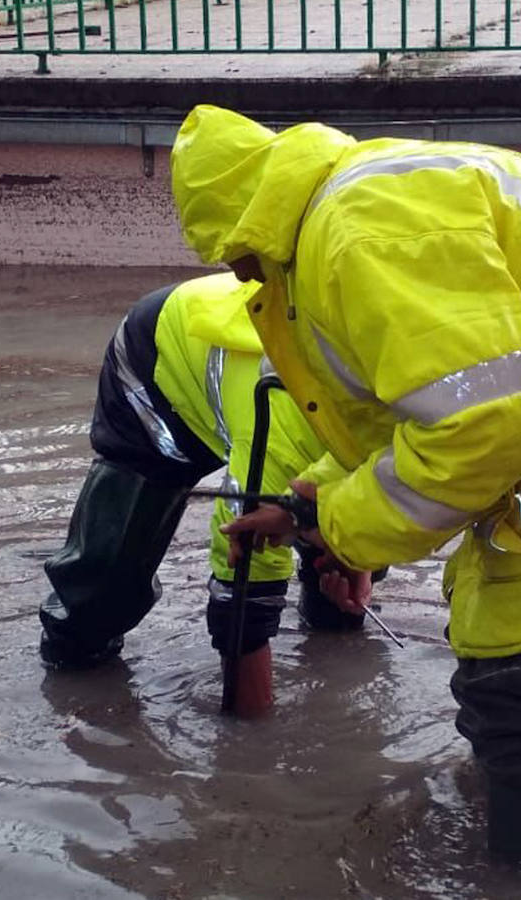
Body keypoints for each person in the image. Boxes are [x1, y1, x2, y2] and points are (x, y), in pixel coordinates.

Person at [169, 105, 521, 856]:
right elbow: (436, 402)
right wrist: (307, 499)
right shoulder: (377, 189)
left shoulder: (358, 237)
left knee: (519, 700)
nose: (242, 276)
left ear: (249, 228)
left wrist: (339, 528)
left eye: (238, 259)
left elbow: (483, 434)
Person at [40, 271, 369, 718]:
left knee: (342, 593)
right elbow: (242, 567)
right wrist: (248, 741)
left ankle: (330, 612)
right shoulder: (282, 433)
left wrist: (356, 557)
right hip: (159, 364)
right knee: (103, 588)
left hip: (299, 400)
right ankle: (70, 669)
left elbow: (390, 496)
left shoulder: (408, 412)